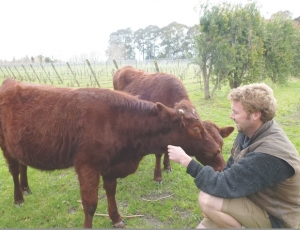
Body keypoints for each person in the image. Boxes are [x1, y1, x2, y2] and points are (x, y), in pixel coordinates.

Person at [168, 83, 300, 228]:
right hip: (255, 200)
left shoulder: (269, 153)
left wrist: (187, 161)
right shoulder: (248, 133)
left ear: (256, 115)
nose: (231, 116)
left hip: (276, 219)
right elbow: (230, 170)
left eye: (236, 113)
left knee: (208, 200)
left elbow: (226, 185)